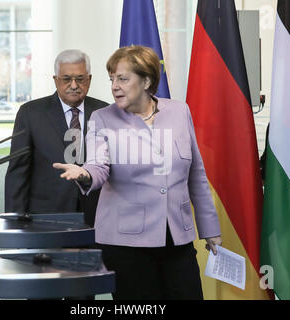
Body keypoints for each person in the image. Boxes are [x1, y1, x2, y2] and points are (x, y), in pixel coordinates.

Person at [54, 45, 222, 300]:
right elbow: (98, 166)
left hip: (177, 237)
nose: (115, 86)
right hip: (126, 244)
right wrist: (85, 173)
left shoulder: (179, 111)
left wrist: (210, 228)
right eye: (112, 79)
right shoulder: (102, 118)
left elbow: (196, 174)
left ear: (146, 81)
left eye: (122, 78)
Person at [5, 49, 108, 227]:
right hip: (46, 216)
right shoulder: (31, 113)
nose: (74, 85)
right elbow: (18, 173)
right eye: (67, 79)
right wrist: (15, 221)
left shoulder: (105, 112)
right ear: (56, 80)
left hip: (97, 215)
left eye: (80, 79)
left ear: (89, 79)